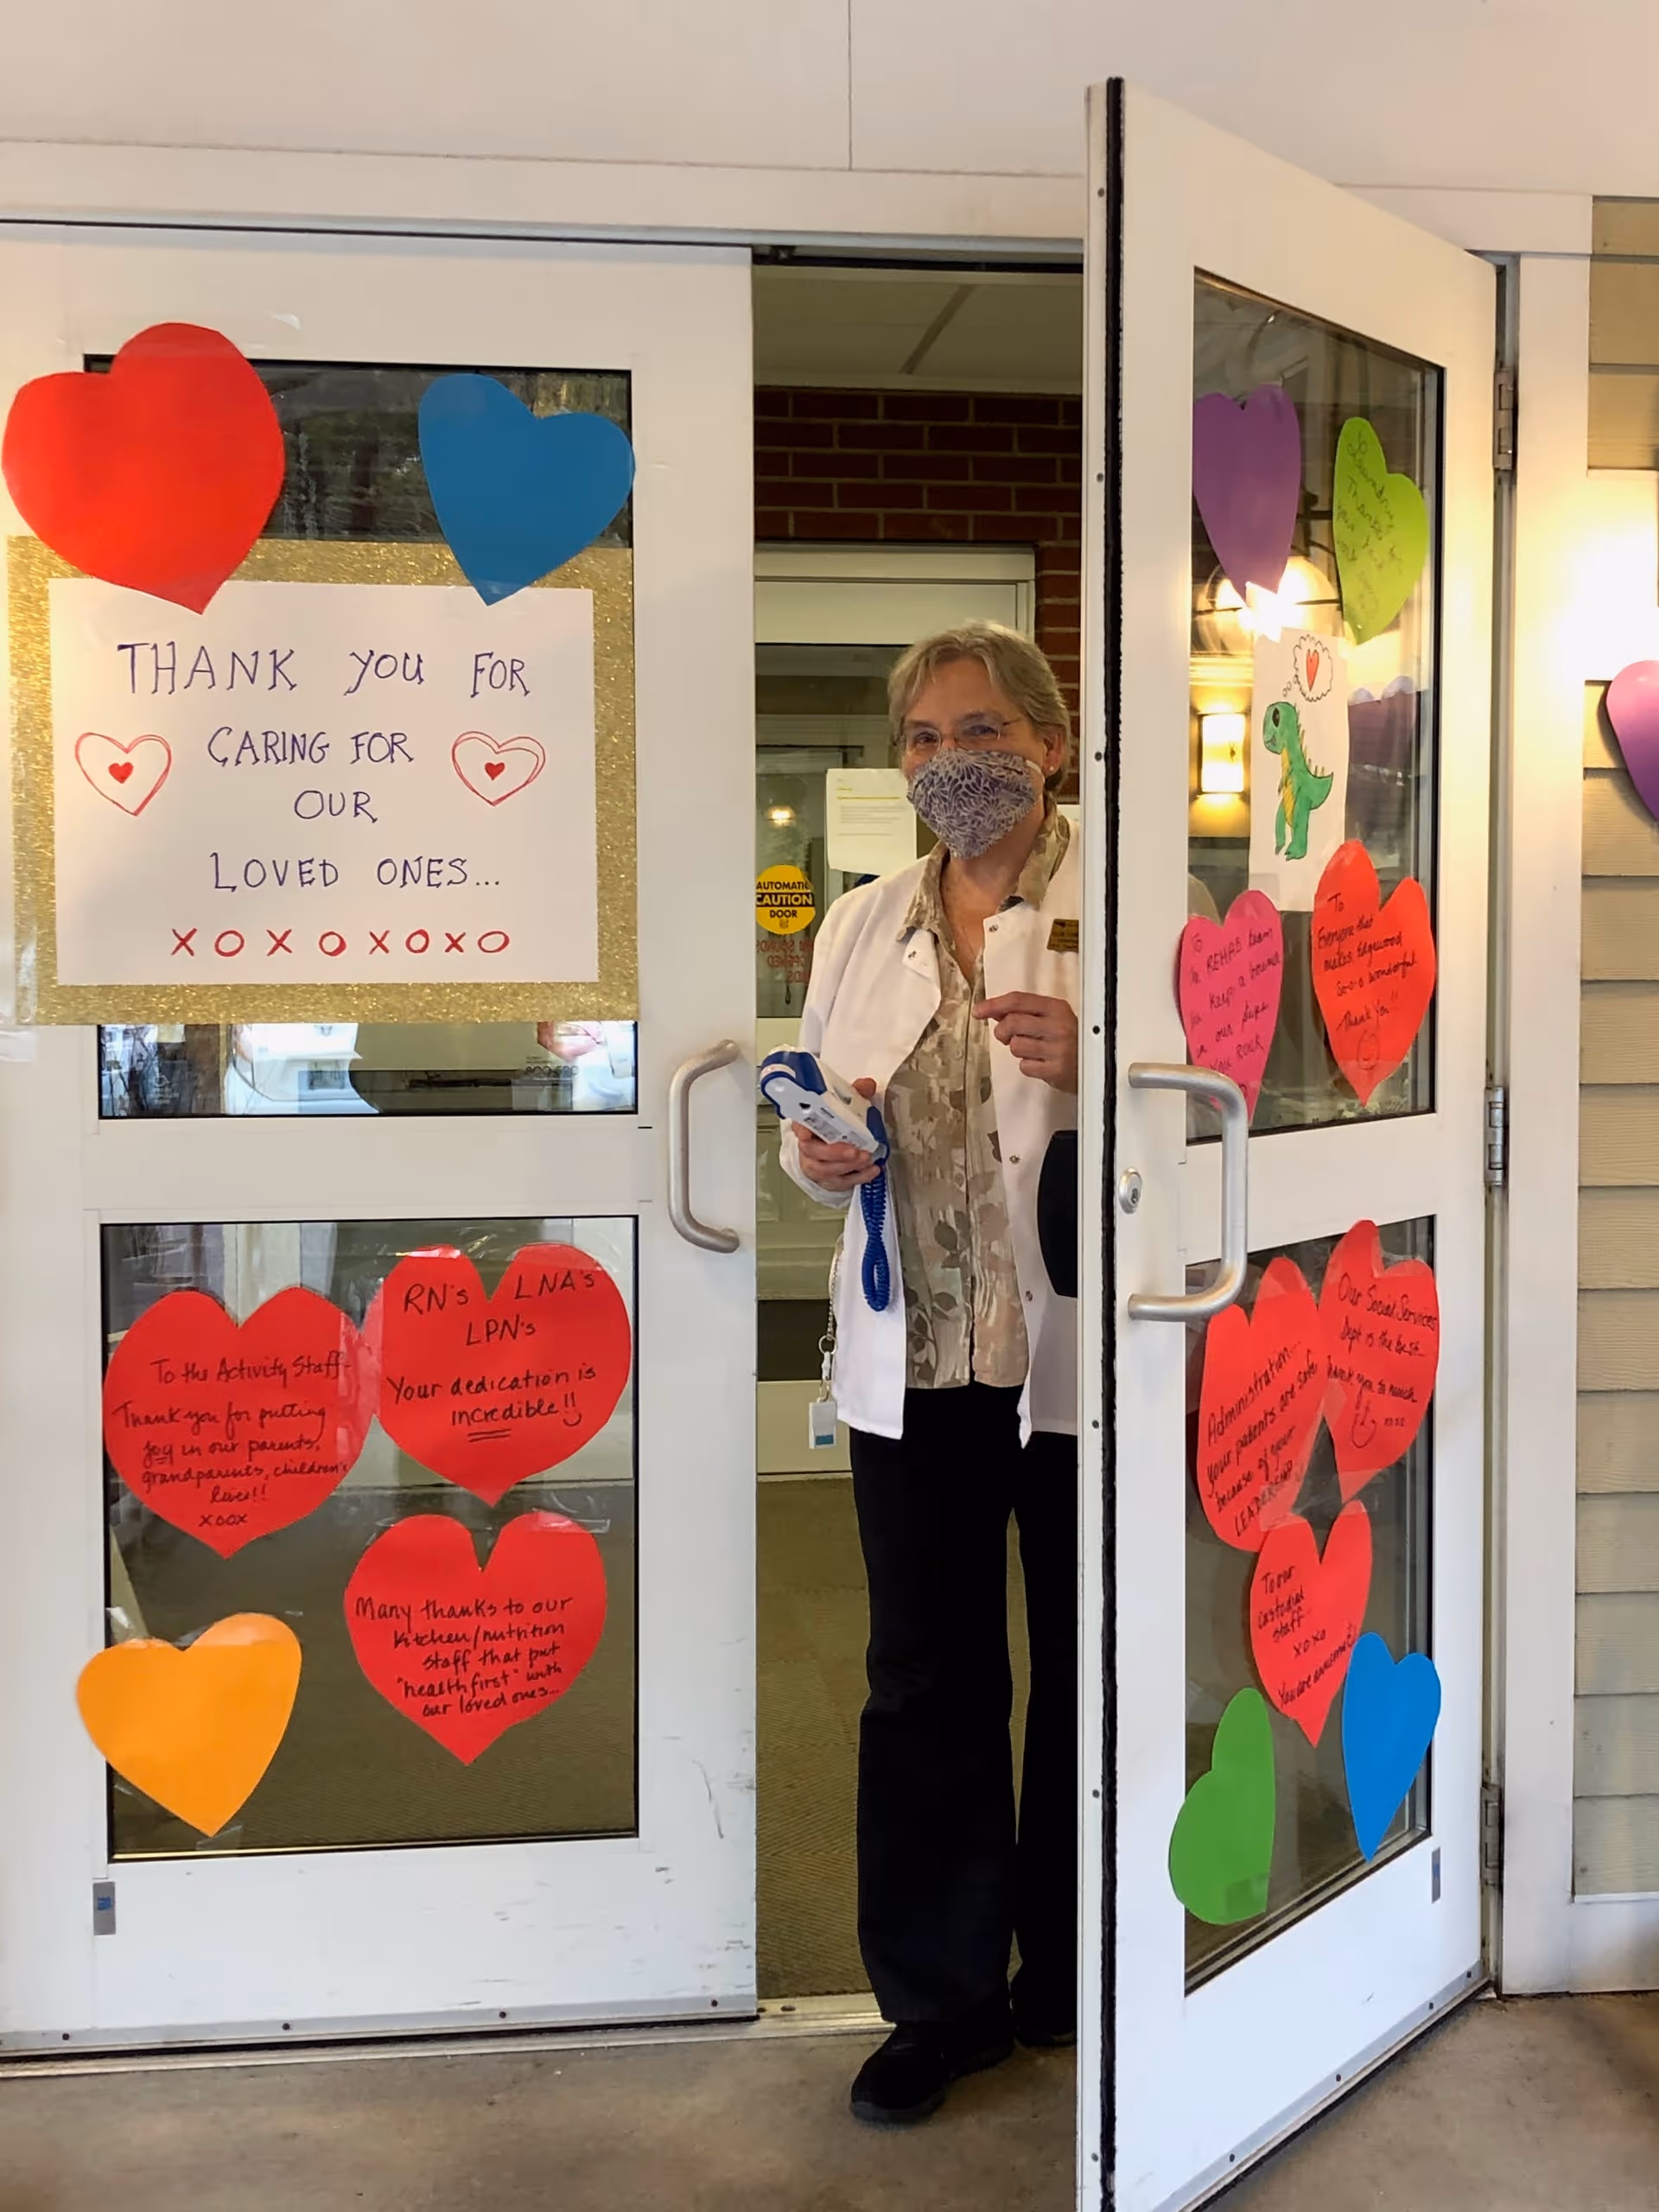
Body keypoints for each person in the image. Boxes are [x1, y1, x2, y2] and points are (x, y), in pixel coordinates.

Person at [780, 620, 1080, 2126]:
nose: (951, 763)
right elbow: (812, 1120)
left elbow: (1241, 1117)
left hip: (1077, 1365)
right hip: (921, 1368)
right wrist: (818, 1153)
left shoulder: (1138, 900)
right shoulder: (860, 924)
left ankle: (1075, 1971)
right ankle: (941, 2002)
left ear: (1050, 741)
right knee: (925, 1680)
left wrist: (1097, 1067)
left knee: (1088, 1666)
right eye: (923, 740)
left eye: (979, 731)